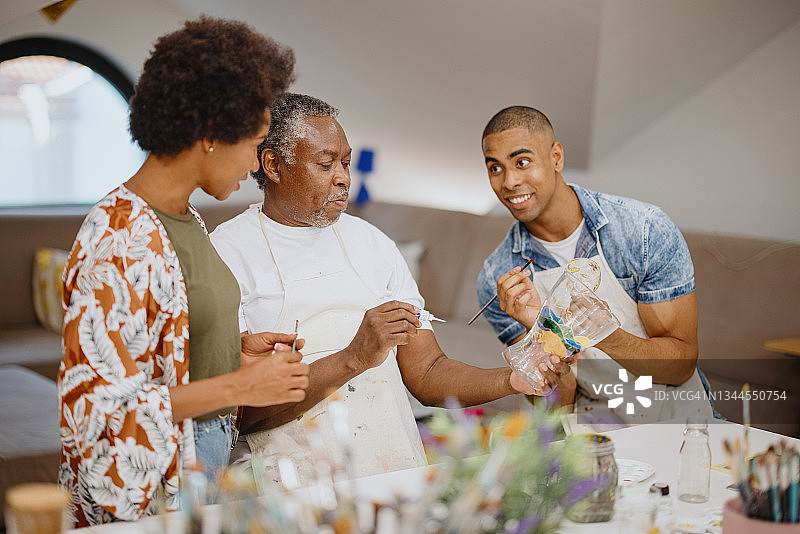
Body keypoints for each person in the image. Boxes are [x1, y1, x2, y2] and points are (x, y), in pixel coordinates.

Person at [209, 93, 567, 484]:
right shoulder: (226, 253)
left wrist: (511, 379)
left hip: (391, 471)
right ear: (273, 165)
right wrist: (354, 357)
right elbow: (235, 416)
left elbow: (428, 373)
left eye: (346, 162)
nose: (344, 178)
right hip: (287, 488)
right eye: (326, 164)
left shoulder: (372, 243)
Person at [58, 18, 310, 527]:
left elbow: (165, 341)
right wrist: (241, 387)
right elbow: (97, 411)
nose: (255, 165)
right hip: (149, 487)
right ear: (212, 132)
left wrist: (232, 350)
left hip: (203, 454)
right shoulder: (119, 238)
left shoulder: (184, 216)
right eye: (254, 143)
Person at [476, 106, 714, 426]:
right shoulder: (497, 279)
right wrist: (542, 330)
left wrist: (597, 330)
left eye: (522, 162)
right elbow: (558, 405)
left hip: (677, 424)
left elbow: (679, 368)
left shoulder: (644, 230)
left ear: (556, 157)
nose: (509, 181)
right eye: (495, 168)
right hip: (592, 433)